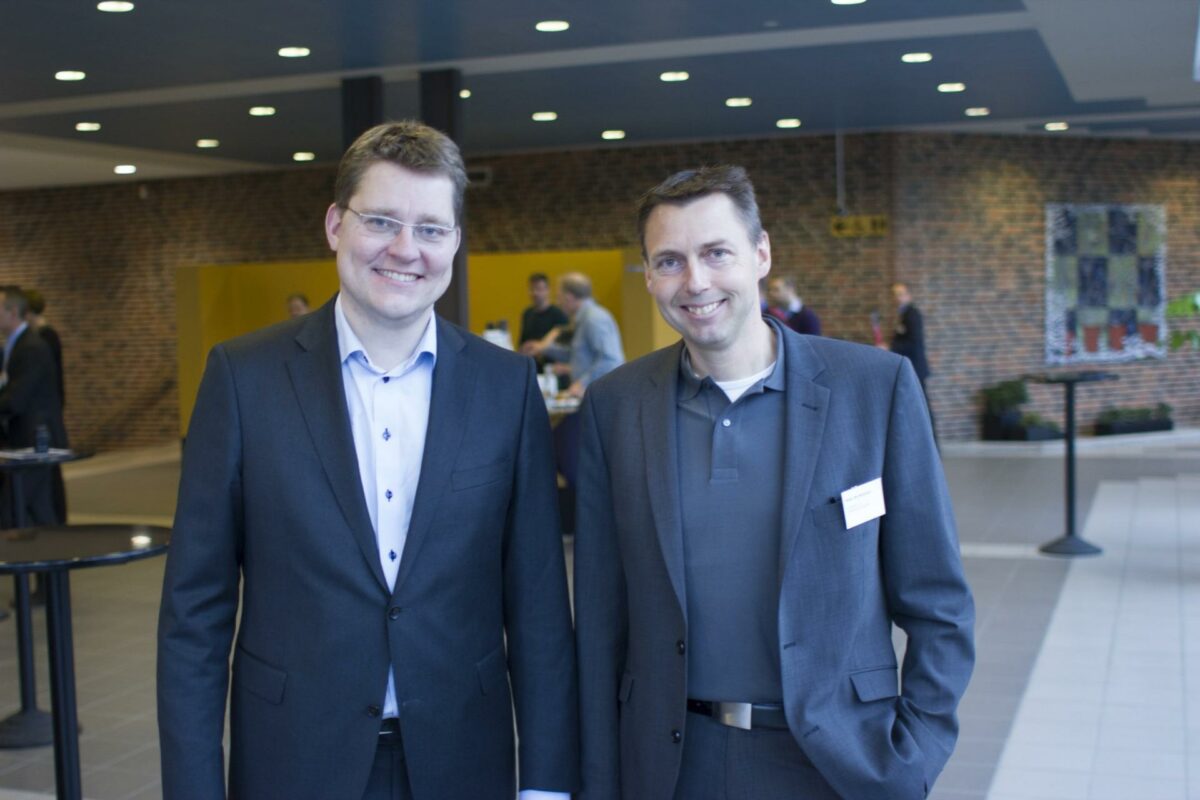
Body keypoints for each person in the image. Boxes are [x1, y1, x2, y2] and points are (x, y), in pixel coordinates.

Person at [158, 121, 579, 800]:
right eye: (380, 220)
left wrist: (549, 785)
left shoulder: (505, 389)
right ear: (334, 225)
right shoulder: (244, 378)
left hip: (462, 758)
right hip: (293, 758)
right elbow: (194, 614)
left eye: (431, 228)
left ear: (456, 241)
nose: (405, 250)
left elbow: (537, 607)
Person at [574, 166, 974, 800]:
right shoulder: (613, 407)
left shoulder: (874, 388)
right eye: (670, 261)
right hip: (671, 765)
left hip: (838, 762)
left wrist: (913, 757)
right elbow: (598, 624)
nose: (696, 281)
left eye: (716, 253)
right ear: (648, 276)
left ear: (761, 254)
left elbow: (939, 606)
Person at [0, 286, 68, 527]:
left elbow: (17, 398)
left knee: (9, 513)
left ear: (13, 312)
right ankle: (56, 564)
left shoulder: (31, 347)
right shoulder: (16, 345)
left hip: (36, 441)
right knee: (41, 510)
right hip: (28, 441)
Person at [523, 273, 624, 398]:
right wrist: (544, 349)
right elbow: (577, 354)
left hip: (603, 395)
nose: (558, 303)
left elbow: (610, 360)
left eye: (559, 297)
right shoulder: (583, 319)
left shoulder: (594, 319)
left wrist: (582, 383)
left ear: (569, 297)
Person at [23, 288, 68, 522]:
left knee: (49, 479)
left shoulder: (42, 338)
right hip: (51, 413)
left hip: (46, 418)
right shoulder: (43, 336)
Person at [887, 282, 935, 436]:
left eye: (900, 294)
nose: (897, 298)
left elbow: (913, 342)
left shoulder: (912, 314)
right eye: (894, 295)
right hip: (910, 368)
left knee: (923, 407)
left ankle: (933, 447)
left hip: (916, 368)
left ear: (908, 295)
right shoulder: (902, 315)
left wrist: (890, 348)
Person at [518, 272, 568, 347]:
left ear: (548, 290)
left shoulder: (559, 314)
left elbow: (565, 345)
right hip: (529, 357)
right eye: (532, 289)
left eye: (539, 289)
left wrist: (540, 347)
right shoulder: (527, 314)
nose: (535, 293)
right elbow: (522, 342)